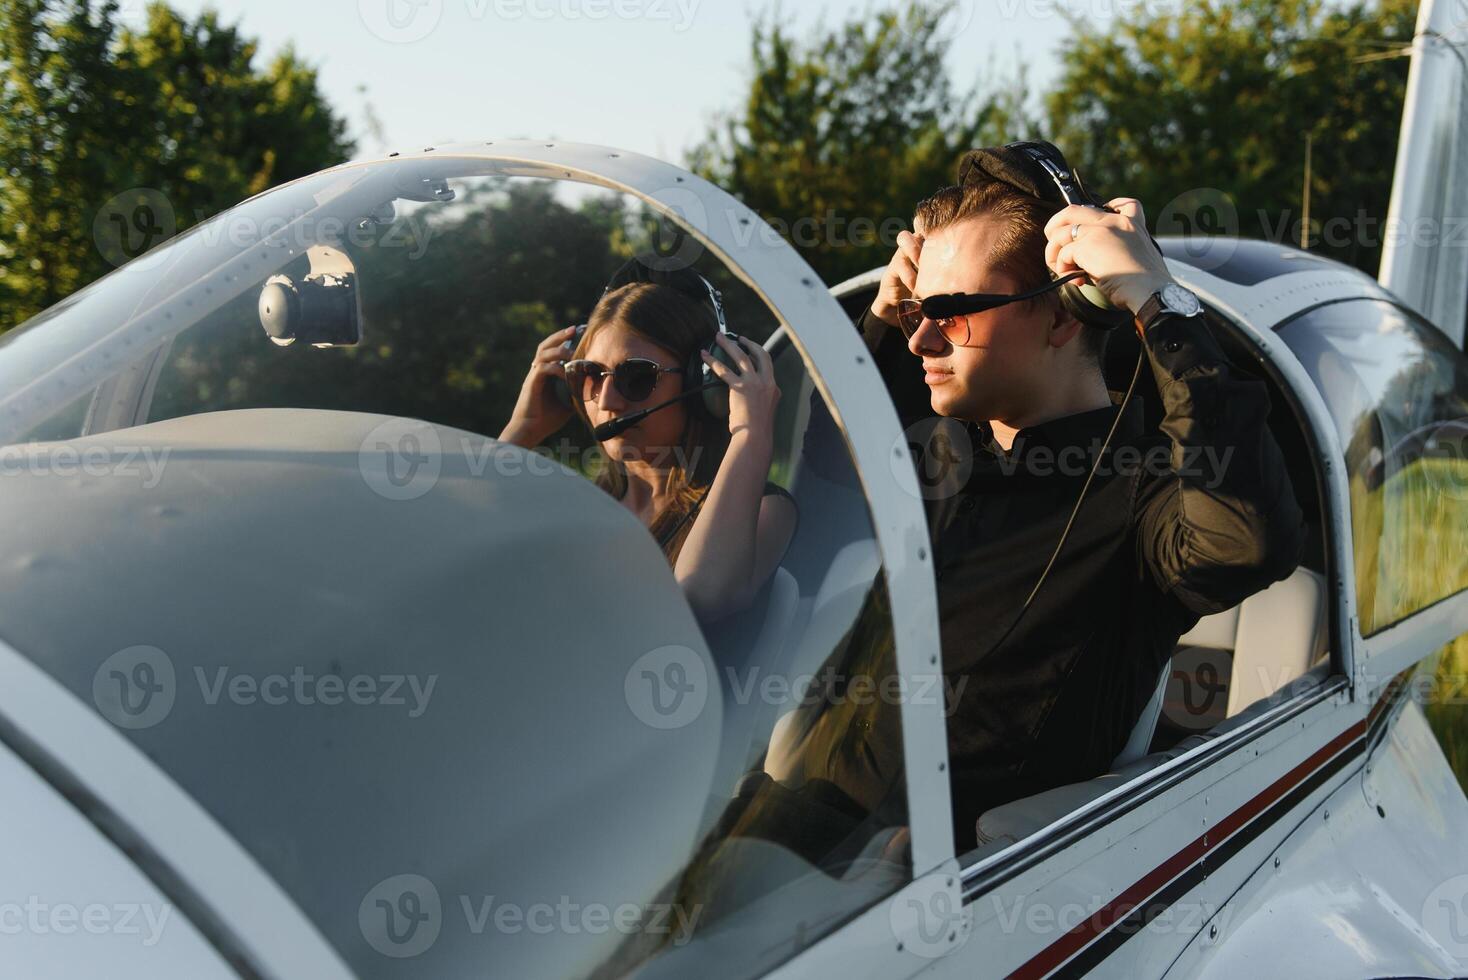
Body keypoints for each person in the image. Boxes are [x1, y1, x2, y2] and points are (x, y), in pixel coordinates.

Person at [857, 143, 1306, 851]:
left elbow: (1246, 540)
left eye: (948, 311)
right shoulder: (930, 455)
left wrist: (1161, 304)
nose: (919, 339)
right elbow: (820, 492)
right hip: (795, 841)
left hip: (943, 898)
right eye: (916, 311)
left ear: (1066, 315)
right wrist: (881, 326)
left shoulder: (1146, 493)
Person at [499, 265, 797, 623]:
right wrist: (523, 430)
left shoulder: (766, 510)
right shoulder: (576, 506)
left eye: (637, 377)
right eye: (589, 375)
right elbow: (453, 546)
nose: (607, 401)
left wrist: (751, 433)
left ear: (703, 385)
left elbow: (703, 597)